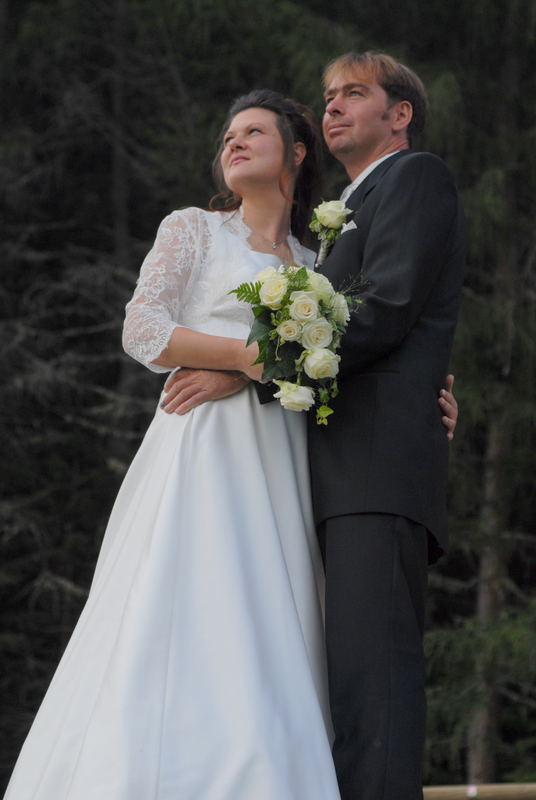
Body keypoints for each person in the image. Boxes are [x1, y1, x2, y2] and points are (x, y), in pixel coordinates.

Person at [4, 90, 342, 800]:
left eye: (253, 130)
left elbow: (337, 365)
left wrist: (244, 371)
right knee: (190, 595)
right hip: (202, 452)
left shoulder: (320, 260)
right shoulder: (192, 228)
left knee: (272, 611)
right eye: (227, 134)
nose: (234, 141)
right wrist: (247, 358)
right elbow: (145, 331)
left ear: (298, 150)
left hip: (284, 459)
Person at [305, 52, 465, 799]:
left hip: (375, 470)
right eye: (329, 96)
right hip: (333, 472)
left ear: (399, 114)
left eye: (354, 94)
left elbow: (388, 308)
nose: (332, 106)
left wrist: (251, 363)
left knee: (376, 691)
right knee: (340, 692)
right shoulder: (345, 214)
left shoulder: (416, 177)